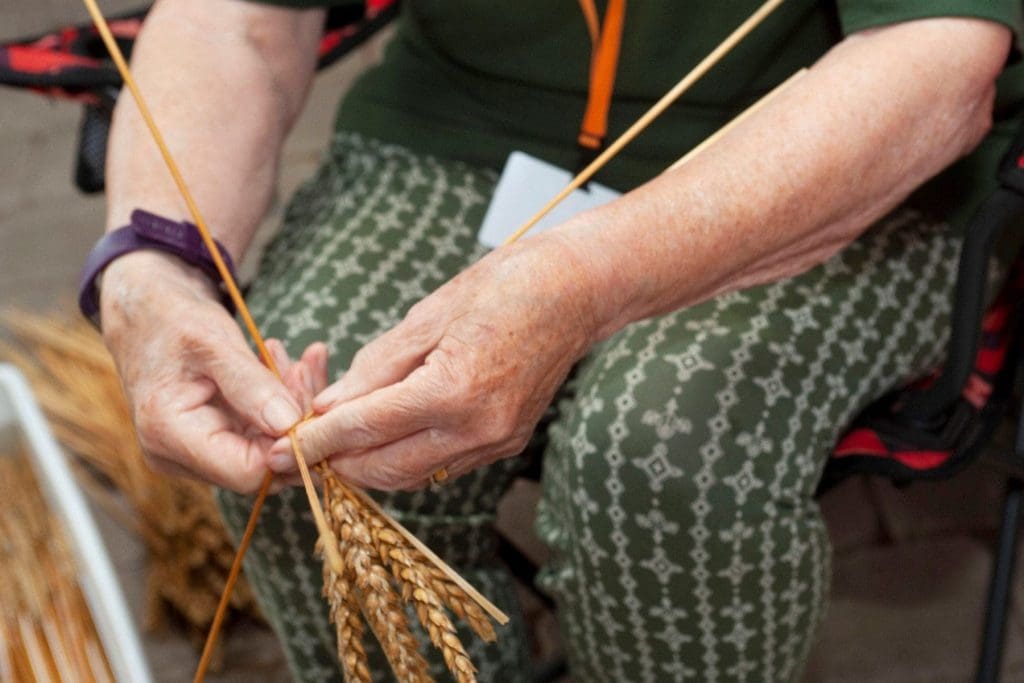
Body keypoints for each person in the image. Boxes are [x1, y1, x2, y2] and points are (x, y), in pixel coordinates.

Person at [90, 0, 1024, 680]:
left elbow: (933, 57)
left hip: (817, 139)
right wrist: (150, 264)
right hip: (472, 123)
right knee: (302, 445)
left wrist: (579, 282)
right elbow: (231, 21)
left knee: (661, 466)